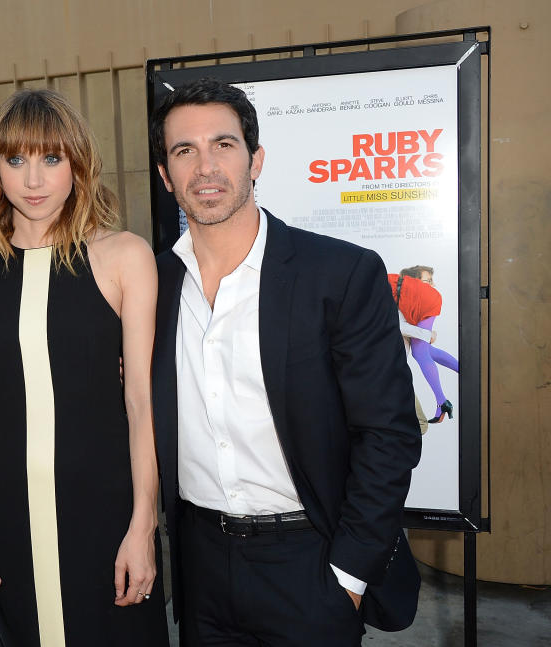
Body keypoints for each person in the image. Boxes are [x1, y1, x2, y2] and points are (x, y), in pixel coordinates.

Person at [148, 78, 422, 645]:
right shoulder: (151, 285)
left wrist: (348, 575)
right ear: (164, 174)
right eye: (184, 151)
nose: (206, 167)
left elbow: (388, 433)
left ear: (256, 160)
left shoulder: (339, 274)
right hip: (199, 570)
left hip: (311, 564)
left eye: (223, 145)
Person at [0, 89, 168, 647]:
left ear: (78, 164)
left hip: (107, 510)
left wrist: (144, 524)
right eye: (16, 160)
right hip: (6, 513)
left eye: (51, 159)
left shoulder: (125, 257)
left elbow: (142, 403)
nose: (33, 180)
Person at [388, 265, 459, 423]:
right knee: (425, 350)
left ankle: (442, 402)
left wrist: (427, 335)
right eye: (428, 281)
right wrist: (427, 335)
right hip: (427, 302)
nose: (432, 285)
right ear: (413, 283)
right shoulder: (404, 299)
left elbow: (398, 325)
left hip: (426, 302)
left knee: (420, 353)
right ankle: (465, 370)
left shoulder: (408, 296)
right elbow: (401, 326)